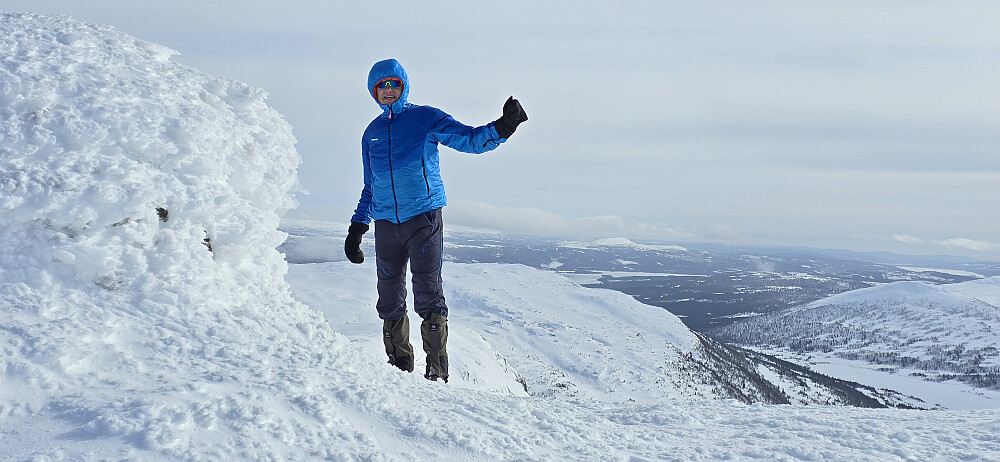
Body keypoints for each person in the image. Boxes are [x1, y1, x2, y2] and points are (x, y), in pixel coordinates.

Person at [345, 58, 527, 382]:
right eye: (381, 86)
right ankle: (399, 369)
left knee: (427, 292)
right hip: (386, 225)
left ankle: (437, 373)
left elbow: (468, 139)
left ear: (403, 86)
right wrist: (358, 226)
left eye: (393, 84)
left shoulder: (425, 118)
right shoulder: (370, 134)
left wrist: (503, 127)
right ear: (373, 91)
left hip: (424, 219)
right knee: (388, 298)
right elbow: (370, 186)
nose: (388, 91)